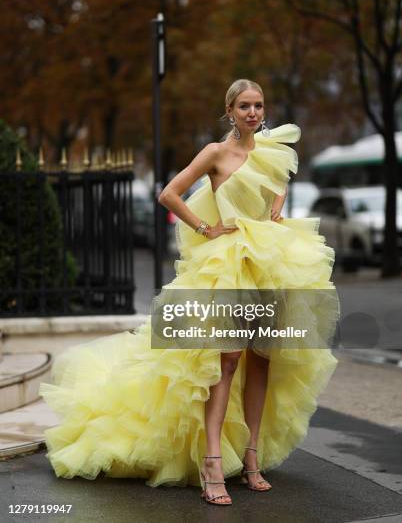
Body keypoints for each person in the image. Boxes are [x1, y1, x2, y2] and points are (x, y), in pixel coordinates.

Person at [39, 79, 339, 507]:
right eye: (244, 107)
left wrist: (277, 206)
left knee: (264, 358)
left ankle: (252, 457)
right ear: (230, 112)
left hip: (271, 260)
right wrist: (205, 228)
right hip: (228, 264)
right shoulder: (216, 154)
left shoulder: (273, 151)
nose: (252, 113)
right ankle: (212, 461)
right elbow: (169, 193)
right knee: (227, 360)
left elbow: (278, 188)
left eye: (258, 106)